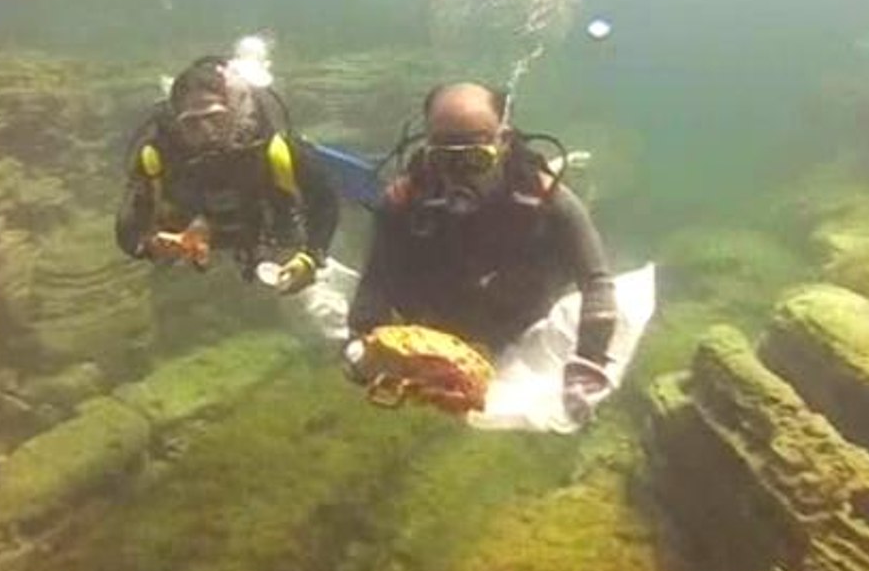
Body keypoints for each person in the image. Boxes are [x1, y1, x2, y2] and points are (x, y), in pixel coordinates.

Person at [344, 82, 618, 418]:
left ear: (504, 141)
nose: (459, 176)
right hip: (436, 330)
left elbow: (598, 284)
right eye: (444, 160)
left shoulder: (549, 201)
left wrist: (588, 364)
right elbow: (375, 281)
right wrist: (361, 345)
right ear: (427, 149)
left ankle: (581, 171)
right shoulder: (402, 203)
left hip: (522, 324)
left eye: (475, 159)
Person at [115, 52, 339, 294]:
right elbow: (127, 228)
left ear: (233, 113)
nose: (207, 131)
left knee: (314, 295)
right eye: (192, 123)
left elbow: (325, 201)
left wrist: (310, 257)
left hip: (270, 237)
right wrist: (151, 246)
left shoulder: (272, 150)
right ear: (177, 124)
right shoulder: (159, 156)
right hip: (193, 242)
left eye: (215, 118)